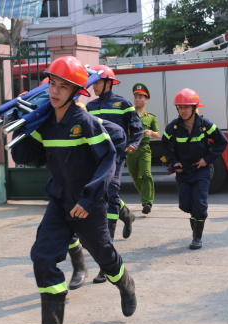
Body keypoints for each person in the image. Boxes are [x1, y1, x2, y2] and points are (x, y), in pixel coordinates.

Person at [10, 56, 137, 324]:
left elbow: (108, 159)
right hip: (59, 200)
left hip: (87, 205)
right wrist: (18, 122)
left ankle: (126, 283)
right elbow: (27, 156)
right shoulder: (45, 124)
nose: (54, 91)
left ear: (76, 89)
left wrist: (90, 197)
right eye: (52, 83)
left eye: (62, 86)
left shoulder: (85, 122)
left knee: (105, 257)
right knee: (42, 255)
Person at [86, 65, 144, 283]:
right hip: (96, 159)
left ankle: (105, 262)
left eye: (97, 83)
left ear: (109, 83)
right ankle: (127, 215)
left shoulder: (123, 103)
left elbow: (136, 127)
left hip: (116, 157)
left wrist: (134, 144)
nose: (93, 87)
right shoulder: (89, 106)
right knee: (106, 196)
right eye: (92, 83)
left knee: (109, 192)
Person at [66, 102, 128, 289]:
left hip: (98, 183)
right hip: (74, 185)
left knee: (100, 234)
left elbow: (113, 156)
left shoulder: (108, 130)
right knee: (67, 228)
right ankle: (79, 267)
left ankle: (109, 270)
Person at [161, 88, 228, 249]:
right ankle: (195, 219)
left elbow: (222, 142)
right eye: (180, 107)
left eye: (186, 107)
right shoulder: (173, 128)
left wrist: (207, 159)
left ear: (194, 107)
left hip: (201, 171)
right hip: (183, 173)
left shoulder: (205, 125)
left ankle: (197, 237)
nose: (183, 111)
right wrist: (174, 162)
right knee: (185, 205)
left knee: (199, 204)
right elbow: (165, 146)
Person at [127, 83, 160, 214]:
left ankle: (147, 202)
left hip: (145, 148)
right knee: (135, 176)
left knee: (146, 174)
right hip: (131, 149)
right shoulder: (129, 115)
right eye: (135, 96)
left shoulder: (150, 117)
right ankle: (145, 195)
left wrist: (151, 132)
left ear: (146, 99)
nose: (137, 99)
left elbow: (158, 135)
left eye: (140, 96)